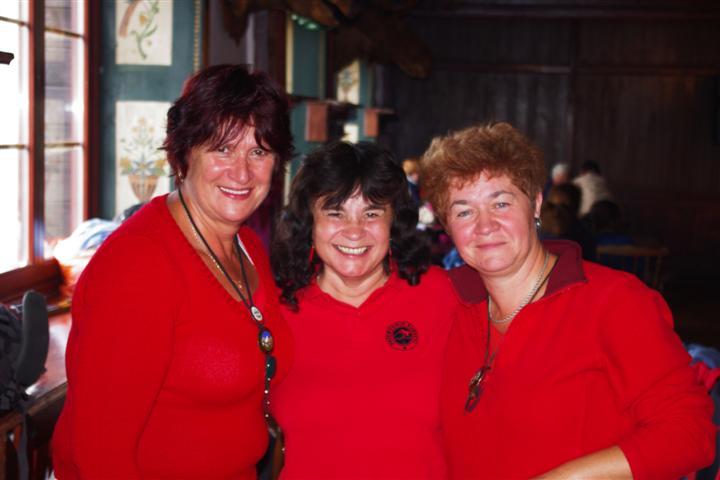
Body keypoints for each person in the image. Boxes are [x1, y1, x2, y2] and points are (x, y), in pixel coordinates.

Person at [420, 122, 715, 479]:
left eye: (501, 203)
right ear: (446, 224)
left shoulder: (613, 301)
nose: (485, 225)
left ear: (535, 204)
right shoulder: (444, 302)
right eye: (464, 211)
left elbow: (690, 433)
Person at [52, 65, 294, 478]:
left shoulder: (247, 246)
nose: (242, 172)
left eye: (259, 152)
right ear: (183, 154)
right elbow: (99, 454)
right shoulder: (138, 266)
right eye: (222, 149)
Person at [270, 141, 459, 479]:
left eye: (371, 213)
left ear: (393, 221)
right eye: (335, 212)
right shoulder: (276, 309)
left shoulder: (440, 293)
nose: (354, 231)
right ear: (310, 222)